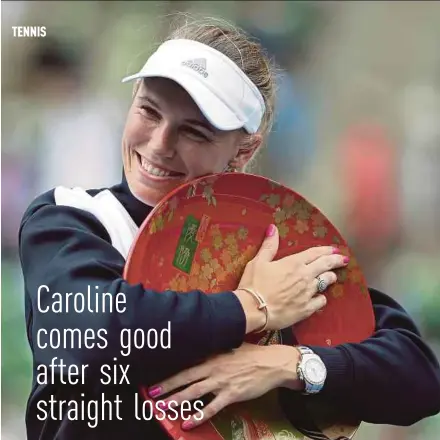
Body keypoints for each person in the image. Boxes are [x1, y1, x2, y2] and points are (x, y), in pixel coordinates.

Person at [19, 17, 440, 440]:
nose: (160, 143)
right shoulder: (73, 218)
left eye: (194, 132)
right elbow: (90, 335)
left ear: (244, 150)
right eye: (149, 110)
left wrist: (285, 364)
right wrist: (253, 307)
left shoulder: (275, 246)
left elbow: (418, 376)